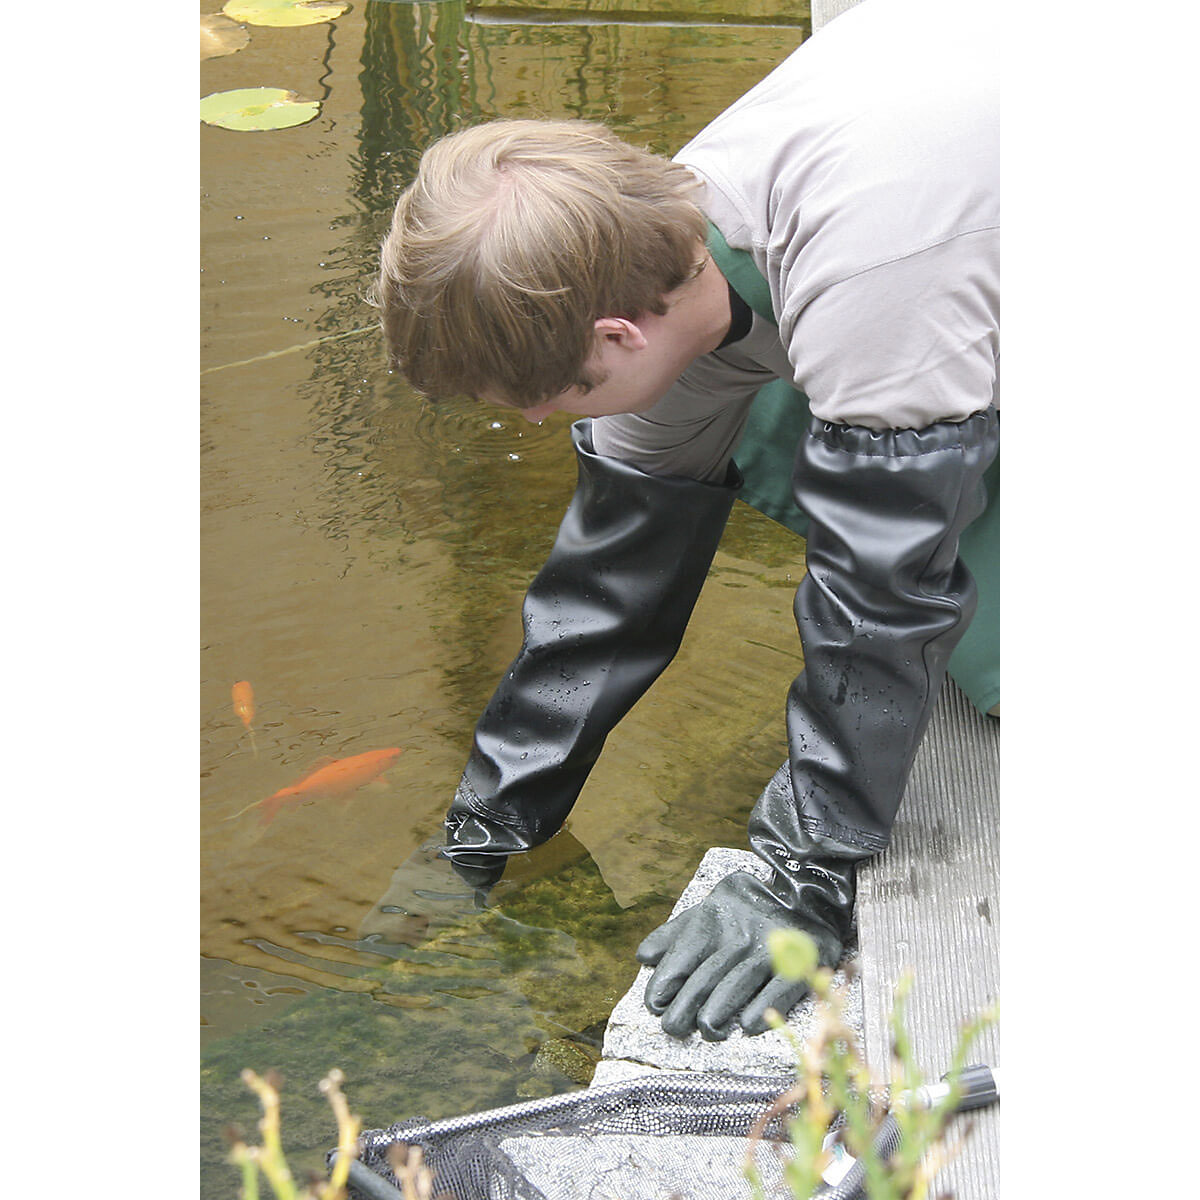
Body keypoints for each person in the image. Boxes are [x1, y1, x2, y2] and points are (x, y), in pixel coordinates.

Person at [368, 0, 999, 1042]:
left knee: (990, 647)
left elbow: (883, 587)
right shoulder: (655, 239)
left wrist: (800, 875)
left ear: (616, 332)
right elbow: (614, 575)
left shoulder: (871, 277)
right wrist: (486, 824)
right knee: (765, 445)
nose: (531, 420)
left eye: (551, 394)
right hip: (955, 187)